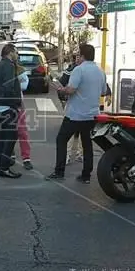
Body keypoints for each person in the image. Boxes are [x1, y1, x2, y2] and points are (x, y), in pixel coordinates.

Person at [47, 44, 107, 184]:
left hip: (75, 114)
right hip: (92, 114)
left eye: (78, 55)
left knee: (61, 139)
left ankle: (59, 172)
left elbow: (71, 90)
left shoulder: (79, 70)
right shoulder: (100, 71)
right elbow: (104, 91)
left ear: (83, 56)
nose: (77, 58)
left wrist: (61, 88)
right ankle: (86, 175)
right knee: (87, 143)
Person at [0, 43, 23, 178]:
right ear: (10, 53)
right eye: (16, 52)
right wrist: (15, 103)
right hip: (6, 107)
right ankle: (4, 166)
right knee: (10, 137)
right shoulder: (9, 66)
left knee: (0, 138)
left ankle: (1, 164)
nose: (17, 55)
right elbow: (9, 87)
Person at [13, 61, 33, 170]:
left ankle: (26, 158)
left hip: (18, 103)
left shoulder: (19, 69)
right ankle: (10, 154)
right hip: (6, 104)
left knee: (22, 132)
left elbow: (24, 85)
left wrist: (13, 84)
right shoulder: (1, 68)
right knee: (8, 132)